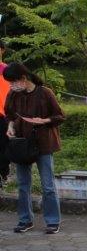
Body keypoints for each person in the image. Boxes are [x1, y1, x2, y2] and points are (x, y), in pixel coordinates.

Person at [3, 62, 64, 234]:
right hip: (22, 144)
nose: (12, 85)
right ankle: (25, 220)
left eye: (13, 81)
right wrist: (10, 126)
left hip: (44, 143)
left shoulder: (45, 93)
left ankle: (53, 221)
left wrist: (44, 120)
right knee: (23, 185)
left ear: (23, 78)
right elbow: (9, 114)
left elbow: (59, 116)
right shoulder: (13, 94)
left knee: (48, 185)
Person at [0, 40, 10, 187]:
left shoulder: (8, 70)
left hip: (4, 115)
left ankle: (3, 174)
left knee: (4, 146)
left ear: (2, 50)